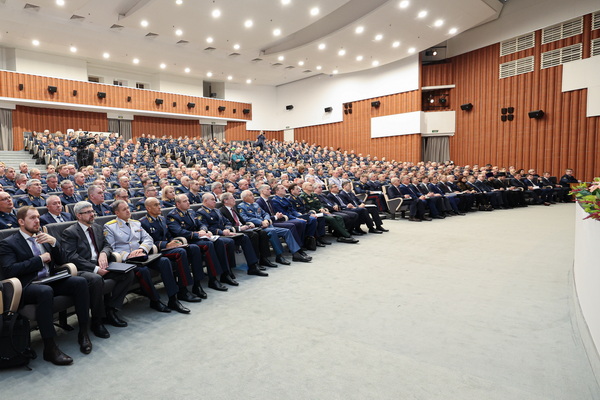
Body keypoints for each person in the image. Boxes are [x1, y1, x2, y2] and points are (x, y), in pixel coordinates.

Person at [0, 206, 91, 365]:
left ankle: (83, 333)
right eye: (32, 218)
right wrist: (39, 260)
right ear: (21, 222)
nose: (37, 221)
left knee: (80, 282)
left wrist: (55, 243)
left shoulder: (43, 237)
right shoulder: (9, 243)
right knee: (45, 292)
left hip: (50, 279)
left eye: (38, 217)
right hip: (27, 285)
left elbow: (63, 261)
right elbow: (9, 270)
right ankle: (50, 347)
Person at [62, 201, 134, 336]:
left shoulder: (97, 227)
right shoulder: (70, 232)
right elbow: (71, 256)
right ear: (78, 215)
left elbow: (107, 245)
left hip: (101, 263)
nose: (92, 214)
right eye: (88, 212)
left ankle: (111, 310)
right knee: (96, 280)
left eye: (92, 211)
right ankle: (97, 321)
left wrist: (103, 253)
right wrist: (95, 268)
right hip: (83, 268)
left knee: (127, 272)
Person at [104, 200, 190, 314]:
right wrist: (128, 255)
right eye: (124, 209)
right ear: (117, 213)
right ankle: (155, 300)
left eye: (128, 208)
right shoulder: (110, 227)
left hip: (141, 255)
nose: (128, 211)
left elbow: (148, 239)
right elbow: (111, 248)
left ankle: (173, 299)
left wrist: (142, 249)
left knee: (164, 261)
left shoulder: (136, 223)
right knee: (143, 271)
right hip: (126, 260)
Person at [140, 197, 206, 300]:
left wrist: (174, 241)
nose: (159, 207)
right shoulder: (143, 222)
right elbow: (147, 242)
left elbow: (169, 234)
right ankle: (183, 290)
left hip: (168, 247)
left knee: (194, 248)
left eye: (159, 204)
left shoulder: (162, 218)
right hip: (158, 250)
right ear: (148, 208)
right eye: (156, 205)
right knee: (181, 252)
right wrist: (166, 244)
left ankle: (197, 285)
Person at [166, 194, 234, 290]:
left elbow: (201, 224)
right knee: (208, 245)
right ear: (178, 204)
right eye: (185, 201)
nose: (188, 202)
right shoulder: (172, 216)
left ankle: (225, 273)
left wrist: (203, 230)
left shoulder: (191, 212)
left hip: (197, 238)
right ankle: (212, 279)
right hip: (187, 241)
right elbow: (179, 232)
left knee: (219, 241)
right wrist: (198, 234)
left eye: (188, 200)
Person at [199, 193, 268, 277]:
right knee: (230, 242)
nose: (215, 201)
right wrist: (222, 232)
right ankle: (228, 271)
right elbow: (206, 227)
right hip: (216, 235)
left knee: (244, 238)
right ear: (205, 201)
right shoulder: (201, 212)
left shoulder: (216, 210)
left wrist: (227, 229)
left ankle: (252, 266)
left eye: (214, 199)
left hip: (226, 233)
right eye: (212, 200)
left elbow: (227, 222)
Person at [237, 190, 311, 264]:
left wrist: (266, 220)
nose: (253, 196)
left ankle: (296, 253)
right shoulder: (241, 206)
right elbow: (245, 219)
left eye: (252, 194)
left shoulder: (256, 204)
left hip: (267, 225)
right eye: (250, 195)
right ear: (244, 198)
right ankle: (279, 256)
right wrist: (261, 222)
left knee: (286, 231)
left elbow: (265, 213)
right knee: (272, 231)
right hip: (258, 227)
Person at [220, 192, 277, 267]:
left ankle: (264, 258)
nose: (234, 199)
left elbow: (242, 221)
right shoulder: (222, 210)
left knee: (262, 233)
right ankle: (255, 261)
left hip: (243, 228)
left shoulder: (233, 209)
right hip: (236, 230)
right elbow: (227, 225)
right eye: (232, 198)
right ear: (225, 200)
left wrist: (248, 224)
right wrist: (240, 228)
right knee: (254, 235)